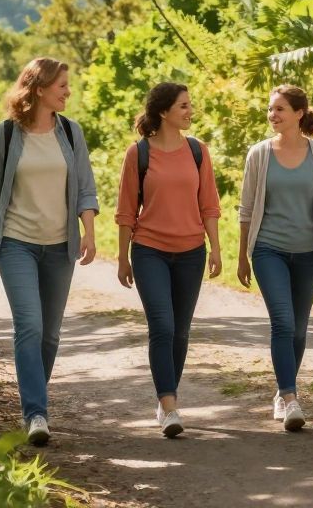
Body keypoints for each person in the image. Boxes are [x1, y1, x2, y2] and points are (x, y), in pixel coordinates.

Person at [0, 57, 98, 447]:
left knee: (50, 335)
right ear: (40, 88)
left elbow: (85, 188)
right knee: (29, 325)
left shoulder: (71, 132)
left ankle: (34, 399)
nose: (68, 91)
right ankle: (36, 413)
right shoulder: (7, 135)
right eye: (62, 85)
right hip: (16, 243)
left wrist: (89, 232)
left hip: (59, 245)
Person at [115, 82, 221, 438]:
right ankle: (170, 404)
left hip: (191, 251)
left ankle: (165, 401)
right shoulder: (139, 154)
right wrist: (122, 258)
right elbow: (127, 211)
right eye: (183, 106)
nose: (190, 111)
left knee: (180, 331)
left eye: (190, 105)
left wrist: (216, 248)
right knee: (161, 325)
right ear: (163, 113)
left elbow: (209, 203)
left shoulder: (198, 151)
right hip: (149, 250)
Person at [236, 84, 313, 432]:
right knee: (282, 321)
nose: (272, 115)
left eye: (279, 109)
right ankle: (290, 396)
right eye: (270, 109)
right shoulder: (259, 154)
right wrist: (242, 256)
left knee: (298, 327)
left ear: (299, 113)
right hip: (269, 249)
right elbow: (246, 209)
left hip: (308, 250)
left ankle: (282, 391)